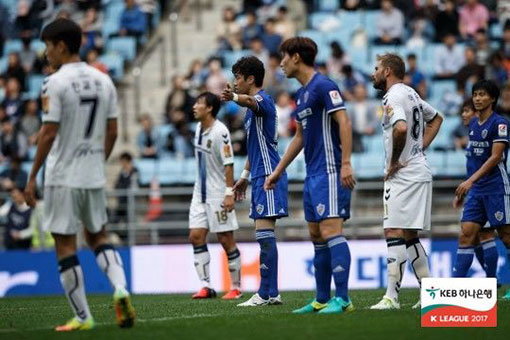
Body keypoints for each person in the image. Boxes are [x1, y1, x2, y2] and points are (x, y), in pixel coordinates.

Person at [24, 18, 135, 331]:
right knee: (98, 236)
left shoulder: (54, 82)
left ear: (61, 46)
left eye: (47, 46)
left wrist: (32, 176)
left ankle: (83, 317)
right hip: (93, 173)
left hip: (62, 174)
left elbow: (48, 132)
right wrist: (99, 159)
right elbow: (113, 130)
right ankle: (121, 289)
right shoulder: (104, 80)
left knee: (65, 245)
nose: (46, 53)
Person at [265, 37, 356, 314]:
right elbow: (300, 137)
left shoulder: (324, 86)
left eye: (284, 57)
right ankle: (322, 298)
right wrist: (279, 170)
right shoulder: (302, 95)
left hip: (330, 170)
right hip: (312, 174)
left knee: (331, 231)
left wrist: (346, 162)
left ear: (296, 57)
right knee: (316, 234)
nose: (281, 63)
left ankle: (344, 300)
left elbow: (344, 121)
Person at [370, 53, 443, 310]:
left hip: (403, 175)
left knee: (393, 231)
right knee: (409, 234)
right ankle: (429, 293)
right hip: (419, 170)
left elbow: (400, 128)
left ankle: (391, 297)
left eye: (377, 68)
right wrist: (418, 150)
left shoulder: (393, 96)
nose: (373, 73)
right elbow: (436, 118)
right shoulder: (411, 93)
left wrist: (394, 162)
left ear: (388, 71)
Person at [221, 56, 288, 307]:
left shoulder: (263, 101)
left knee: (264, 234)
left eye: (238, 77)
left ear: (251, 79)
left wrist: (234, 98)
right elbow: (254, 150)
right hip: (260, 174)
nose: (235, 82)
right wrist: (244, 178)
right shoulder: (250, 115)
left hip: (269, 174)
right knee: (265, 234)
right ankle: (272, 293)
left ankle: (265, 292)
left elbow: (250, 100)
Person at [452, 80, 510, 301]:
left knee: (506, 237)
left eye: (482, 94)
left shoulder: (500, 123)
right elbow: (475, 163)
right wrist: (466, 188)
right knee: (466, 234)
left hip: (496, 188)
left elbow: (495, 157)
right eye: (475, 94)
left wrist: (469, 182)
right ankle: (455, 290)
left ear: (492, 99)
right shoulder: (474, 125)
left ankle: (496, 280)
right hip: (476, 191)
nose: (477, 98)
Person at [188, 92, 242, 300]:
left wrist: (229, 194)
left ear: (209, 108)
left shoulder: (221, 132)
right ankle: (206, 286)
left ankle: (236, 287)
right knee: (195, 236)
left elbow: (229, 164)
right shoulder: (198, 129)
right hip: (199, 192)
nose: (194, 106)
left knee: (225, 239)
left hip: (218, 193)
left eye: (199, 103)